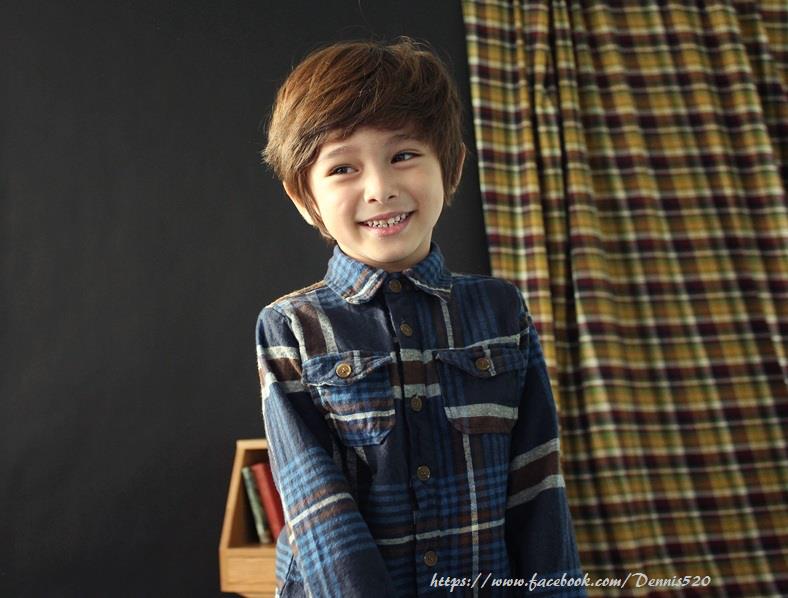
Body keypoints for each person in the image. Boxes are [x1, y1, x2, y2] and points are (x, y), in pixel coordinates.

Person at [256, 37, 584, 597]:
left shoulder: (501, 310)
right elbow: (317, 507)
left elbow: (537, 483)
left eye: (403, 155)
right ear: (303, 197)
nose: (380, 190)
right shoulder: (291, 327)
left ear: (451, 167)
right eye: (343, 167)